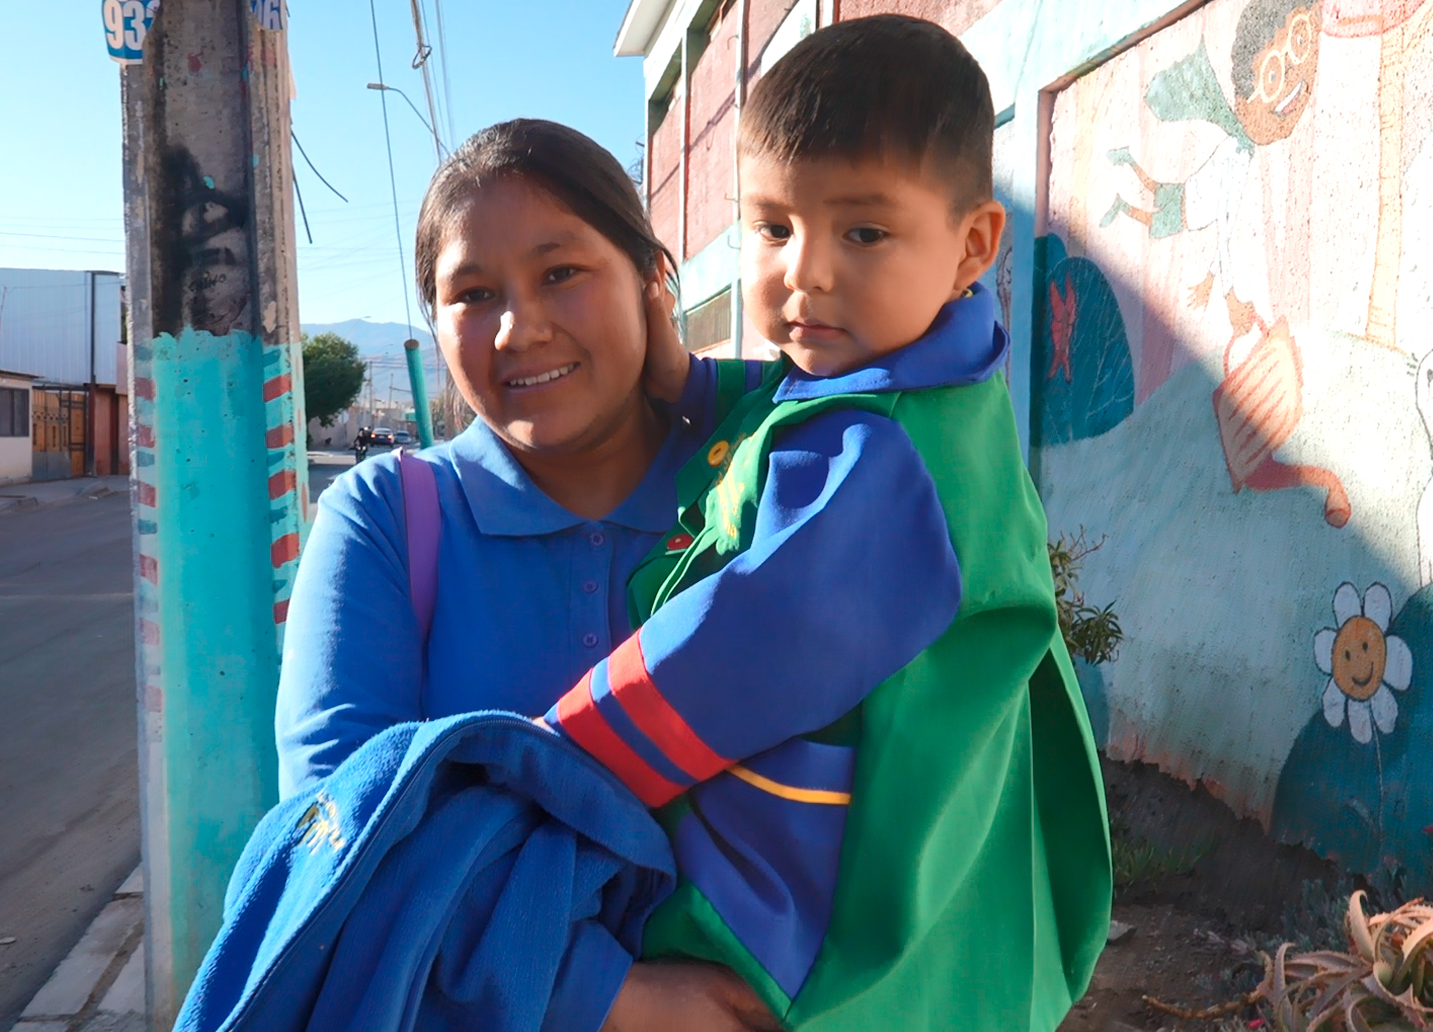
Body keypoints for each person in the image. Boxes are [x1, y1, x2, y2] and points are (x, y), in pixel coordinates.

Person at [535, 16, 1111, 1030]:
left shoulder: (877, 448)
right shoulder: (934, 390)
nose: (805, 272)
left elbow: (750, 642)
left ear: (972, 243)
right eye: (771, 227)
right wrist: (679, 376)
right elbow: (785, 405)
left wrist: (559, 755)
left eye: (864, 232)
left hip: (831, 873)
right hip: (951, 813)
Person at [276, 119, 773, 1030]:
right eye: (472, 292)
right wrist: (623, 998)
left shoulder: (771, 487)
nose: (519, 327)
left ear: (652, 280)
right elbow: (339, 828)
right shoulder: (386, 519)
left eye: (561, 273)